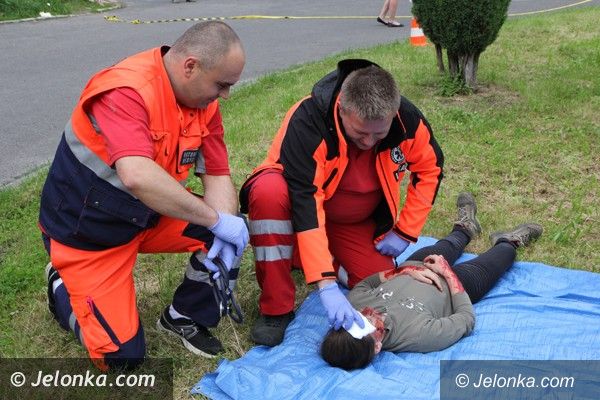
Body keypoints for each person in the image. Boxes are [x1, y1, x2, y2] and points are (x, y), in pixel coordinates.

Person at [39, 21, 249, 370]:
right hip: (89, 235)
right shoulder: (126, 90)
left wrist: (225, 224)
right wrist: (215, 220)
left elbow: (217, 174)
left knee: (230, 228)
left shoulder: (203, 104)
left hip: (148, 217)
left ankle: (184, 316)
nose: (225, 95)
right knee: (121, 359)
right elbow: (136, 175)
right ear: (190, 66)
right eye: (222, 84)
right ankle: (61, 286)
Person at [239, 59, 444, 346]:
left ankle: (305, 257)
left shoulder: (407, 119)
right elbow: (305, 201)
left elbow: (430, 169)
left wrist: (405, 231)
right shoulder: (308, 120)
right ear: (342, 109)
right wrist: (325, 285)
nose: (369, 142)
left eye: (379, 134)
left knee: (378, 284)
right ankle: (276, 307)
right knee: (268, 192)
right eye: (360, 133)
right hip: (299, 209)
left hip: (355, 222)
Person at [321, 193, 543, 370]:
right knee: (503, 255)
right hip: (455, 286)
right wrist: (449, 275)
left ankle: (465, 227)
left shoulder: (354, 305)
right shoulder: (418, 337)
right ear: (377, 346)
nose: (368, 314)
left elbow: (365, 284)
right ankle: (509, 240)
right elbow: (465, 319)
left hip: (417, 264)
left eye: (357, 318)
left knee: (449, 243)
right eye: (368, 325)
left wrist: (401, 271)